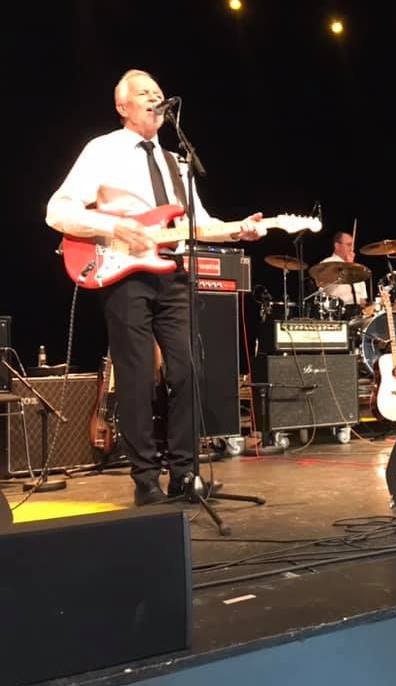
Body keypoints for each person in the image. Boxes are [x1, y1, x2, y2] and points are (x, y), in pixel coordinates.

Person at [46, 69, 265, 505]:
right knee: (136, 376)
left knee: (188, 371)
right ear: (122, 106)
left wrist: (238, 229)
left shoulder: (175, 162)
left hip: (172, 273)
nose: (154, 98)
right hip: (124, 273)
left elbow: (197, 223)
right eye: (144, 93)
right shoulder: (103, 149)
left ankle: (185, 473)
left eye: (158, 92)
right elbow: (57, 210)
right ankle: (145, 479)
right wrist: (116, 227)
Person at [319, 231, 369, 311]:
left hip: (358, 311)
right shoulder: (328, 263)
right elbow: (321, 284)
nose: (352, 248)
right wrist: (348, 265)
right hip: (338, 310)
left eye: (352, 245)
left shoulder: (357, 268)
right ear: (337, 245)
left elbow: (363, 298)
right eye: (348, 245)